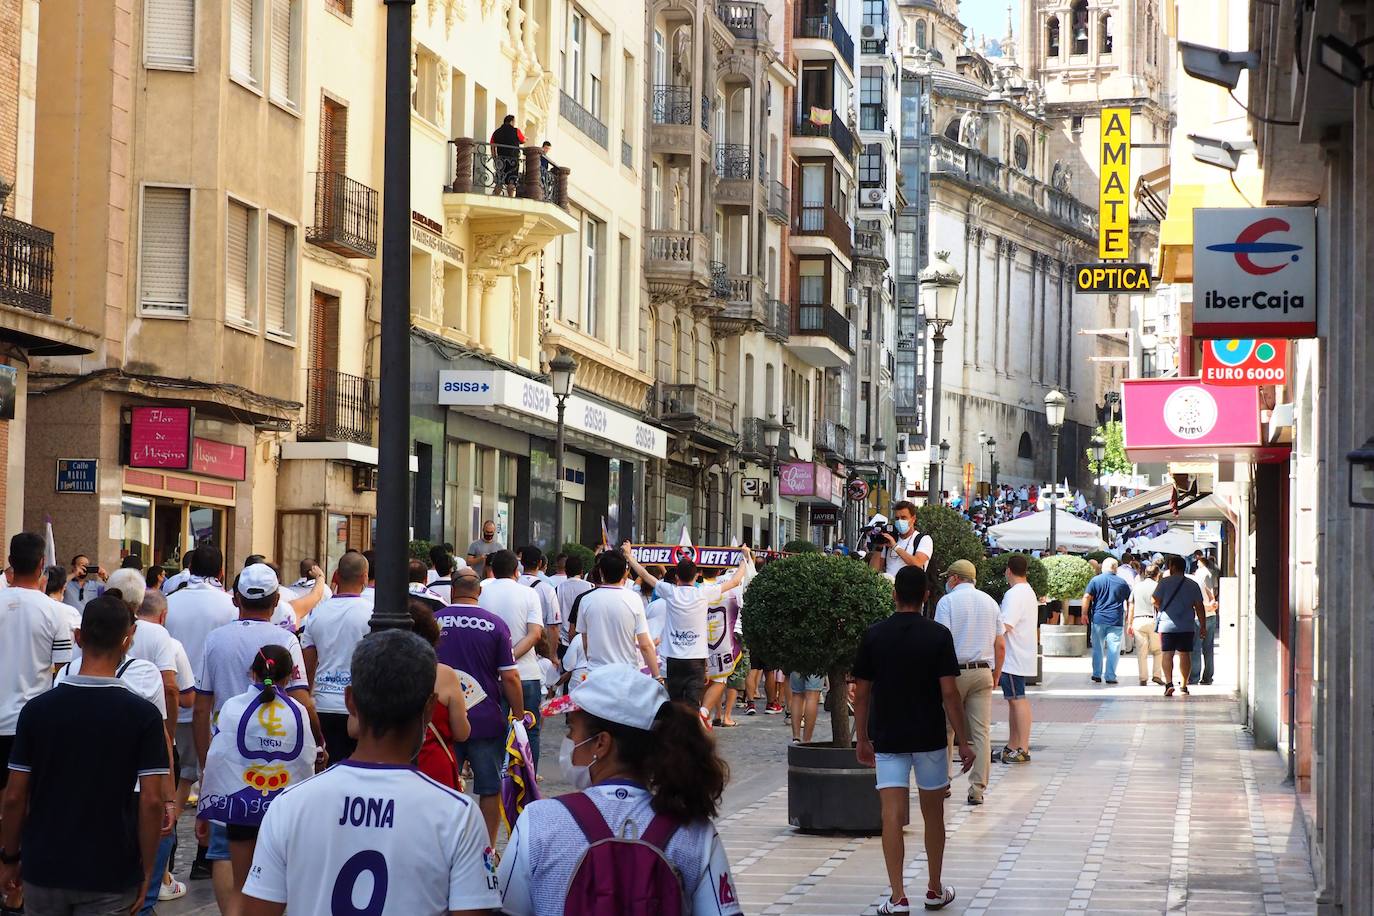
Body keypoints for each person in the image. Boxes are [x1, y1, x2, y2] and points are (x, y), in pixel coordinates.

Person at [241, 630, 500, 916]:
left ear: (350, 701)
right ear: (429, 708)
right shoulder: (458, 815)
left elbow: (258, 908)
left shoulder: (289, 805)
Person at [497, 664, 741, 915]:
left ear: (601, 743)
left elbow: (506, 908)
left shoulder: (539, 821)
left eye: (572, 730)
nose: (568, 741)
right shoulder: (694, 831)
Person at [1, 594, 169, 915]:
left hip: (44, 867)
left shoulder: (37, 711)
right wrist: (148, 870)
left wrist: (10, 856)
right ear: (127, 641)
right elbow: (151, 800)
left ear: (78, 637)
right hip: (111, 869)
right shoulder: (143, 716)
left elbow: (14, 796)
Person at [194, 564, 324, 910]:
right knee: (274, 843)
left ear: (236, 598)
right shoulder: (284, 639)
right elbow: (300, 698)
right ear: (276, 599)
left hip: (227, 756)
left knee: (224, 846)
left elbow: (201, 707)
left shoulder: (215, 639)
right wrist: (319, 742)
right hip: (278, 756)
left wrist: (207, 764)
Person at [854, 566, 972, 913]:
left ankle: (897, 896)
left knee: (891, 814)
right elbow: (949, 693)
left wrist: (862, 737)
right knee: (933, 812)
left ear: (894, 595)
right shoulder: (938, 635)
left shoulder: (874, 635)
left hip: (887, 735)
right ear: (926, 596)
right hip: (929, 735)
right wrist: (963, 740)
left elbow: (861, 693)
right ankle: (934, 889)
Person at [435, 569, 527, 844]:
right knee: (489, 788)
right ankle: (487, 847)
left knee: (442, 788)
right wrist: (519, 715)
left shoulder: (434, 620)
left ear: (452, 591)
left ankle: (444, 842)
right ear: (479, 592)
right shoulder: (495, 624)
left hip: (442, 720)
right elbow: (510, 676)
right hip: (485, 720)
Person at [163, 544, 237, 879]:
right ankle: (202, 855)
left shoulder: (170, 601)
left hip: (171, 702)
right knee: (205, 778)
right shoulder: (227, 605)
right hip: (209, 706)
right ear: (221, 571)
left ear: (188, 569)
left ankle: (167, 850)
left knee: (172, 776)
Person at [623, 542, 751, 710]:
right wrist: (745, 558)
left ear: (676, 577)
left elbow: (646, 575)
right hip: (696, 659)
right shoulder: (703, 593)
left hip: (673, 660)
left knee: (674, 702)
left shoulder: (670, 592)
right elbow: (734, 582)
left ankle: (674, 733)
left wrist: (628, 556)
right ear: (697, 576)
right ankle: (690, 731)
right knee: (692, 705)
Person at [932, 559, 1003, 806]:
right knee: (981, 731)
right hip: (983, 671)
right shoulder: (991, 602)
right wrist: (996, 673)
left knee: (946, 729)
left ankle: (943, 783)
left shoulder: (947, 602)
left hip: (954, 672)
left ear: (954, 578)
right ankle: (977, 789)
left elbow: (942, 640)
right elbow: (1000, 643)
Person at [300, 550, 375, 762]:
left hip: (322, 705)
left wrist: (307, 701)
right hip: (357, 708)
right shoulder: (372, 613)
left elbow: (308, 665)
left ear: (336, 576)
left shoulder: (316, 613)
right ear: (364, 577)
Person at [477, 549, 545, 769]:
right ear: (517, 571)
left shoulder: (481, 591)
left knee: (492, 730)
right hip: (525, 674)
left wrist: (499, 660)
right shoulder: (528, 594)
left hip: (488, 674)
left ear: (491, 570)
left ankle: (496, 781)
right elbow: (534, 634)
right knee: (529, 730)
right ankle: (528, 780)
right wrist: (510, 657)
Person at [407, 599, 472, 789]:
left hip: (389, 768)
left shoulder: (378, 672)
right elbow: (462, 733)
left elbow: (354, 729)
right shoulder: (444, 675)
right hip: (435, 768)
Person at [577, 551, 659, 676]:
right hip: (627, 674)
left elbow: (585, 641)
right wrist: (657, 676)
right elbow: (645, 645)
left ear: (601, 572)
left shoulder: (586, 600)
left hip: (597, 674)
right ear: (625, 572)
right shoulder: (634, 599)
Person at [997, 555, 1038, 764]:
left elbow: (1006, 624)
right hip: (1021, 653)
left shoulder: (1014, 594)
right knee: (1014, 700)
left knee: (1017, 700)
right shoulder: (1028, 591)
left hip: (1013, 655)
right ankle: (1013, 745)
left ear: (1008, 570)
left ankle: (1022, 746)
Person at [1153, 555, 1208, 697]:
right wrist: (1202, 626)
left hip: (1166, 625)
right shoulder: (1192, 584)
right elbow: (1199, 606)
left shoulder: (1164, 582)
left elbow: (1154, 600)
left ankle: (1169, 683)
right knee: (1185, 654)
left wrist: (1162, 608)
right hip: (1186, 625)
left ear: (1173, 567)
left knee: (1167, 654)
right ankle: (1183, 685)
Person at [1082, 557, 1133, 685]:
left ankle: (1097, 674)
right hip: (1115, 619)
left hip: (1098, 618)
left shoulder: (1095, 580)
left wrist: (1084, 613)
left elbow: (1087, 596)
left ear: (1103, 567)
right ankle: (1110, 676)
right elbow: (1130, 601)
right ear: (1116, 568)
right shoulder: (1122, 582)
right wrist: (1129, 618)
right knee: (1113, 648)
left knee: (1097, 648)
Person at [518, 546, 562, 656]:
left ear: (522, 562)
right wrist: (552, 656)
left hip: (515, 644)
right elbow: (553, 627)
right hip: (540, 649)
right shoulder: (547, 589)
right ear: (540, 563)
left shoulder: (514, 584)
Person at [1129, 563, 1164, 687]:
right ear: (1157, 574)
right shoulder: (1159, 586)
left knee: (1141, 652)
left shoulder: (1137, 587)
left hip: (1138, 620)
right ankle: (1156, 675)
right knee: (1158, 650)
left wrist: (1129, 623)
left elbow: (1131, 605)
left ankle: (1143, 678)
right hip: (1153, 620)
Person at [1188, 553, 1220, 686]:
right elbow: (1213, 597)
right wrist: (1212, 605)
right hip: (1211, 616)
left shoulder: (1192, 584)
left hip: (1198, 618)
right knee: (1208, 648)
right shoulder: (1203, 583)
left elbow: (1195, 603)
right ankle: (1208, 677)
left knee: (1196, 648)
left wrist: (1206, 607)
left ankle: (1194, 677)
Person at [881, 501, 934, 578]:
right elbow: (874, 569)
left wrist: (895, 547)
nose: (899, 521)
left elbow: (917, 563)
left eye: (903, 518)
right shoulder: (890, 540)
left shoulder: (923, 540)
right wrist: (878, 548)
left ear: (913, 519)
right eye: (897, 518)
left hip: (911, 589)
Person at [555, 553, 593, 659]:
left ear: (566, 571)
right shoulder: (590, 587)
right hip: (584, 640)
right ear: (581, 571)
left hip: (563, 640)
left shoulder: (558, 589)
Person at [489, 114, 526, 195]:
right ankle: (510, 198)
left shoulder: (497, 132)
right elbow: (523, 140)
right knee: (511, 180)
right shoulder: (516, 131)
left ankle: (495, 196)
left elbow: (492, 145)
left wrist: (494, 156)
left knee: (499, 180)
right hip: (513, 160)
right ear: (512, 121)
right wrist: (525, 138)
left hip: (501, 159)